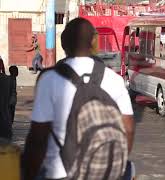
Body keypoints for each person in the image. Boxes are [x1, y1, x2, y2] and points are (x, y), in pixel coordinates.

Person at [23, 18, 135, 180]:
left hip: (60, 172)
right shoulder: (114, 80)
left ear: (63, 45)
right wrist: (113, 166)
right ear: (93, 43)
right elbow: (129, 130)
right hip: (105, 173)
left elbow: (37, 138)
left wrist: (28, 174)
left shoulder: (49, 79)